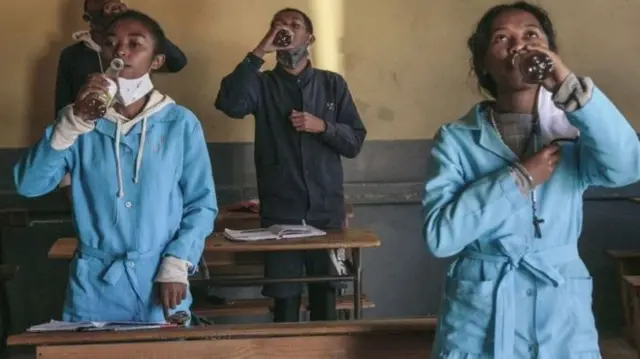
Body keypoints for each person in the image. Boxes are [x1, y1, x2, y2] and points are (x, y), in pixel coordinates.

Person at [423, 2, 640, 358]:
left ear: (548, 51)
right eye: (501, 38)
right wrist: (518, 179)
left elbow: (627, 167)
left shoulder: (573, 131)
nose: (518, 46)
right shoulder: (456, 139)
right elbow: (440, 237)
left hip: (560, 314)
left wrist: (568, 86)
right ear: (483, 64)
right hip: (481, 315)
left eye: (530, 35)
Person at [14, 10, 217, 322]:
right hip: (95, 286)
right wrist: (72, 123)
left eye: (135, 44)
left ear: (156, 61)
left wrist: (178, 262)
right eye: (111, 44)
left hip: (161, 281)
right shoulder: (79, 122)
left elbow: (201, 204)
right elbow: (29, 185)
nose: (120, 51)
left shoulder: (180, 123)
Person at [214, 8, 366, 322]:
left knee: (326, 294)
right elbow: (229, 103)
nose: (285, 29)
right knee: (284, 297)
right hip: (281, 212)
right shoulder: (262, 83)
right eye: (278, 26)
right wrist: (259, 51)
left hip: (326, 211)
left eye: (294, 25)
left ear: (310, 38)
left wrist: (323, 126)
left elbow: (354, 142)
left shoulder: (331, 84)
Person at [56, 0, 187, 192]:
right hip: (90, 145)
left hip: (136, 137)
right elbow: (62, 105)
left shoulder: (134, 51)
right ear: (87, 17)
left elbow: (178, 62)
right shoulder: (73, 55)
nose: (107, 7)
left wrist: (134, 20)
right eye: (99, 5)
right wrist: (66, 178)